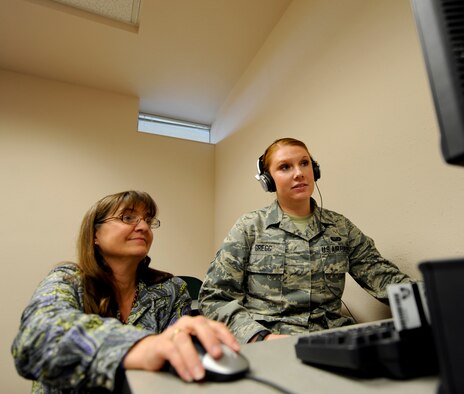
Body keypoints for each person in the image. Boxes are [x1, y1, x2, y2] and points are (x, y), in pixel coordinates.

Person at [12, 190, 240, 393]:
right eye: (128, 217)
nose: (143, 227)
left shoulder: (170, 290)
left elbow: (175, 364)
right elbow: (35, 338)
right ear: (95, 235)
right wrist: (141, 346)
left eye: (148, 220)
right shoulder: (68, 280)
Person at [199, 138, 413, 344]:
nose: (299, 173)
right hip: (269, 342)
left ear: (315, 170)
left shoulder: (340, 227)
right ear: (268, 180)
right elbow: (215, 298)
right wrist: (258, 337)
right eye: (285, 167)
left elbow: (382, 277)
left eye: (304, 163)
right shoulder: (250, 227)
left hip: (330, 340)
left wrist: (436, 300)